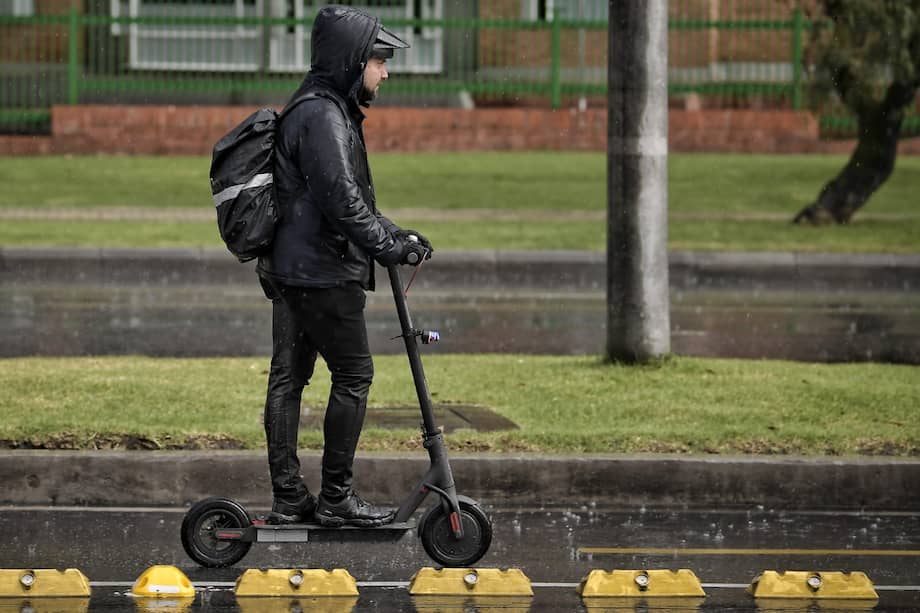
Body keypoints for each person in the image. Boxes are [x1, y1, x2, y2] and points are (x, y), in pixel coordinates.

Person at [256, 5, 432, 527]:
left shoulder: (319, 107)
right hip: (321, 274)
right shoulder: (324, 115)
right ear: (354, 61)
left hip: (295, 269)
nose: (386, 72)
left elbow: (349, 197)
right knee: (354, 374)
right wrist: (386, 246)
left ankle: (290, 498)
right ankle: (335, 497)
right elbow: (342, 202)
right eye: (379, 61)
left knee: (288, 380)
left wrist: (396, 233)